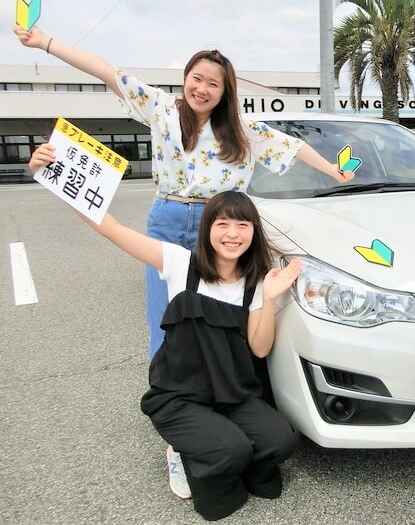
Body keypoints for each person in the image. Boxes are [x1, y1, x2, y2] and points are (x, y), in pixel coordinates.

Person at [13, 24, 354, 361]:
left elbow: (292, 147)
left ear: (224, 92)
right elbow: (106, 71)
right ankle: (166, 389)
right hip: (168, 217)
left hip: (219, 226)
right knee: (164, 313)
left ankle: (222, 384)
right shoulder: (161, 109)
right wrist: (46, 43)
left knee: (221, 310)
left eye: (213, 84)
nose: (202, 88)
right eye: (197, 78)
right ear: (186, 77)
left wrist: (334, 171)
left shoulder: (243, 129)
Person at [30, 145, 300, 520]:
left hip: (234, 392)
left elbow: (258, 349)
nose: (232, 233)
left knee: (281, 441)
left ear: (253, 232)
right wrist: (53, 176)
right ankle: (183, 447)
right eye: (222, 223)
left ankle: (219, 440)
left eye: (242, 225)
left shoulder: (256, 284)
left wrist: (269, 300)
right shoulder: (179, 263)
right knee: (230, 450)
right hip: (181, 394)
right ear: (208, 229)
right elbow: (114, 230)